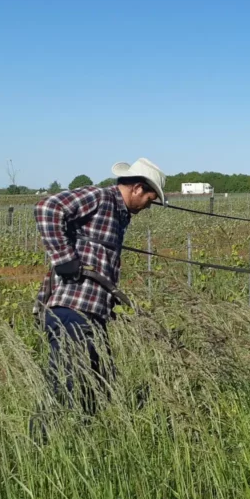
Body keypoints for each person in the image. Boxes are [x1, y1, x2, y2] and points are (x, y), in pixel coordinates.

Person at [31, 157, 166, 429]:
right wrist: (64, 258)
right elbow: (47, 207)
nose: (148, 206)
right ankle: (40, 446)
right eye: (150, 199)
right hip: (72, 309)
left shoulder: (119, 214)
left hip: (92, 311)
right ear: (138, 188)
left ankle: (86, 437)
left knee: (98, 384)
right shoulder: (100, 197)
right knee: (64, 383)